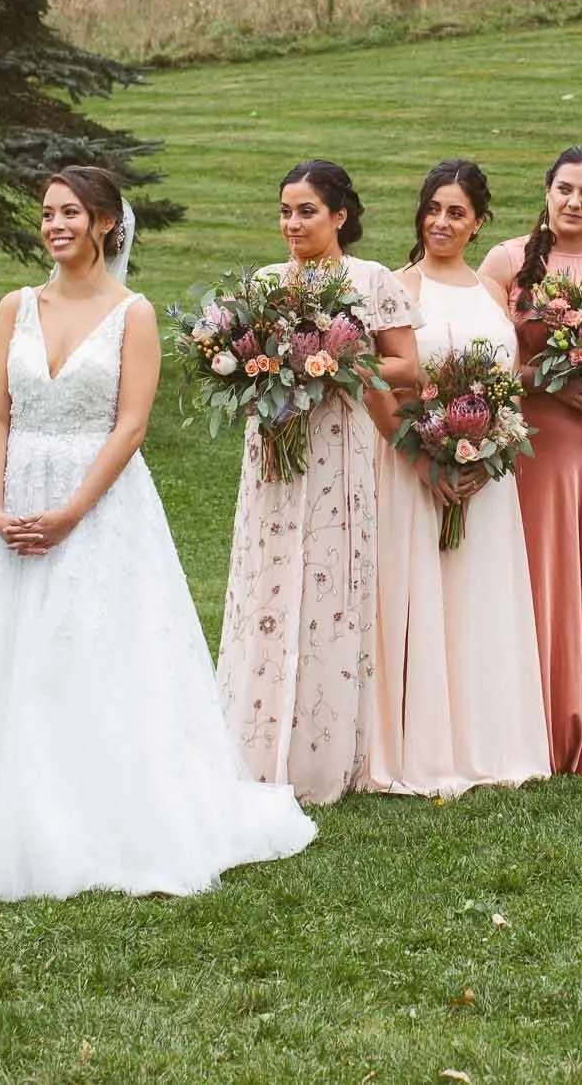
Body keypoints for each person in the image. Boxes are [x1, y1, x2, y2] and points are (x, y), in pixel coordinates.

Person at [0, 169, 313, 897]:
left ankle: (92, 811)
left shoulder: (133, 314)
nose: (54, 225)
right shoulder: (15, 307)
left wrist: (71, 512)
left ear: (104, 223)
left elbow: (131, 426)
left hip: (100, 502)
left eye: (69, 212)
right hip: (12, 497)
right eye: (46, 213)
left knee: (91, 647)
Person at [216, 160, 419, 805]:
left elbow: (407, 366)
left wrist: (339, 363)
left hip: (339, 451)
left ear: (339, 216)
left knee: (331, 584)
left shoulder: (371, 280)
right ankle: (252, 741)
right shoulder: (263, 285)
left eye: (306, 211)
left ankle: (323, 753)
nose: (293, 224)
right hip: (273, 452)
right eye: (285, 211)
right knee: (268, 577)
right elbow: (233, 359)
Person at [363, 161, 549, 797]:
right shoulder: (394, 287)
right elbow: (378, 385)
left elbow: (506, 381)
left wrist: (489, 443)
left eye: (457, 212)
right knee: (421, 597)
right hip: (412, 465)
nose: (441, 222)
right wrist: (424, 458)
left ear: (478, 223)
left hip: (485, 475)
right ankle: (421, 746)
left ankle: (487, 739)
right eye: (433, 209)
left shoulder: (492, 292)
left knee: (479, 597)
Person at [478, 148, 582, 775]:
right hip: (537, 443)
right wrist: (552, 381)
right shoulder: (506, 261)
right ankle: (537, 724)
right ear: (546, 191)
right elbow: (487, 363)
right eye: (565, 189)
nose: (575, 202)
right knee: (541, 571)